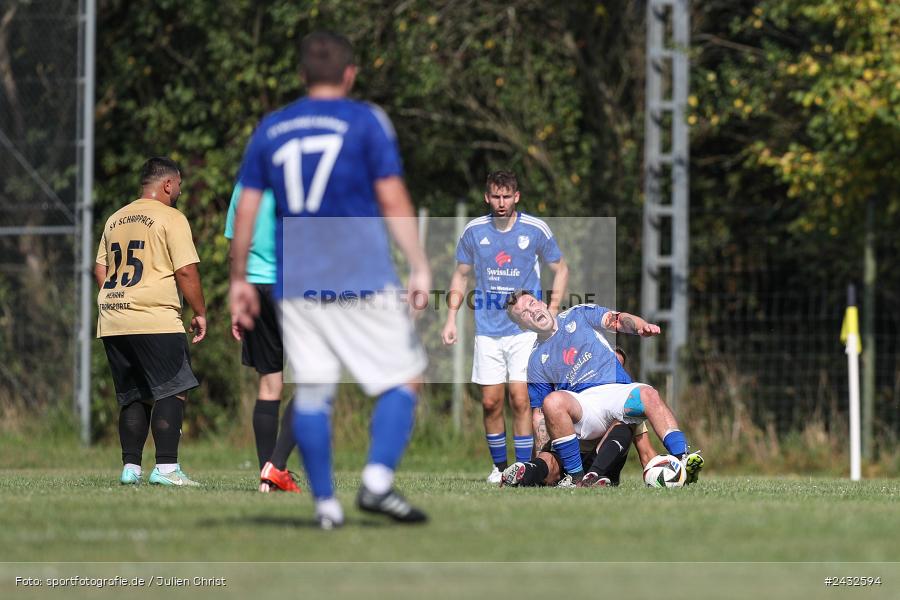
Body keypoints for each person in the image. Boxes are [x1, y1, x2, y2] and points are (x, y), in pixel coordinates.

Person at [229, 31, 430, 529]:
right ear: (350, 75)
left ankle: (325, 506)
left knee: (314, 391)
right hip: (359, 272)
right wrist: (419, 263)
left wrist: (237, 279)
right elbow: (392, 196)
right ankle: (377, 482)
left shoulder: (272, 128)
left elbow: (247, 206)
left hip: (296, 280)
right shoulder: (366, 120)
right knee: (405, 378)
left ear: (302, 76)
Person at [441, 171, 568, 483]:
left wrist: (551, 311)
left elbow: (561, 269)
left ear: (517, 197)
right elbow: (461, 275)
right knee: (490, 402)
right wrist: (451, 318)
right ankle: (499, 468)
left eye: (507, 196)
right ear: (487, 197)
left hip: (524, 332)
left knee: (520, 399)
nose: (501, 202)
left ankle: (521, 469)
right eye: (496, 196)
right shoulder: (474, 231)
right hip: (487, 330)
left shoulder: (535, 229)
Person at [504, 290, 704, 485]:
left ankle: (683, 456)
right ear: (523, 326)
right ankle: (576, 478)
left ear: (542, 303)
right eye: (524, 313)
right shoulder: (536, 361)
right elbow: (539, 415)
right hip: (584, 406)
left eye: (532, 304)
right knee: (552, 402)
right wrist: (543, 455)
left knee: (648, 394)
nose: (532, 311)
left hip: (615, 392)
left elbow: (616, 320)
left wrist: (639, 326)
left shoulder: (578, 314)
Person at [94, 156, 206, 487]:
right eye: (179, 185)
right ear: (168, 184)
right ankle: (167, 469)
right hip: (155, 318)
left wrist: (121, 299)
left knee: (135, 394)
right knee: (174, 389)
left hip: (114, 318)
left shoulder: (115, 218)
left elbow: (100, 269)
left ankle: (131, 468)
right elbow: (186, 270)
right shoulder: (171, 217)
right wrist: (200, 311)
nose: (180, 191)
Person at [224, 181, 298, 493]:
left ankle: (267, 475)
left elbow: (234, 250)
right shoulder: (300, 176)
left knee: (269, 383)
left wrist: (236, 298)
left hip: (254, 286)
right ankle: (276, 466)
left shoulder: (245, 185)